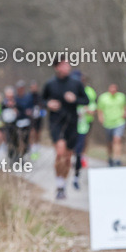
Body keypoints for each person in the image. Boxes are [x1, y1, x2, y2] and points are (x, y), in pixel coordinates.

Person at [42, 56, 89, 200]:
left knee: (68, 157)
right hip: (56, 122)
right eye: (63, 65)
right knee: (60, 151)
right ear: (57, 67)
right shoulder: (50, 84)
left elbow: (86, 100)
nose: (66, 67)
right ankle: (59, 185)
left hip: (72, 123)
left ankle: (63, 184)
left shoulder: (76, 84)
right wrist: (48, 104)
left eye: (68, 64)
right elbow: (41, 100)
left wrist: (75, 99)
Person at [72, 77, 98, 190]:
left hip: (83, 125)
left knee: (79, 149)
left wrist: (86, 110)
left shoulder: (89, 92)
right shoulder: (69, 90)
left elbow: (92, 107)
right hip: (69, 127)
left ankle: (76, 177)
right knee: (70, 150)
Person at [97, 83, 126, 167]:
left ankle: (117, 159)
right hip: (108, 123)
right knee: (109, 142)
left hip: (119, 121)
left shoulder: (121, 96)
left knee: (117, 139)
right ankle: (110, 157)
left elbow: (125, 106)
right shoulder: (103, 98)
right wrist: (100, 118)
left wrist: (125, 113)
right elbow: (99, 109)